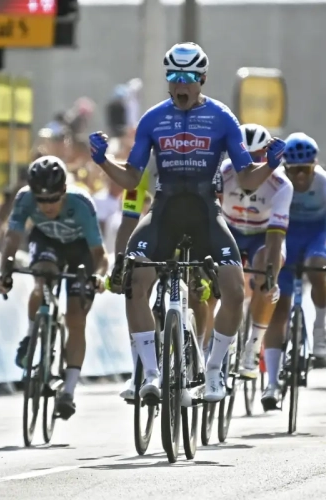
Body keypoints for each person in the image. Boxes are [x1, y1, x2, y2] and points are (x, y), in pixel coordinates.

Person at [88, 42, 285, 403]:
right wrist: (103, 161)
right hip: (164, 211)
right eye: (174, 76)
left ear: (202, 79)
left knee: (235, 289)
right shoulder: (152, 118)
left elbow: (246, 180)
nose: (181, 84)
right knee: (136, 279)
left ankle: (213, 373)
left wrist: (270, 164)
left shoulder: (223, 118)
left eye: (189, 77)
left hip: (205, 214)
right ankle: (147, 374)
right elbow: (132, 179)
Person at [0, 156, 108, 420]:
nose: (46, 206)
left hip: (81, 251)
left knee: (75, 318)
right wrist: (5, 273)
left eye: (53, 199)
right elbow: (12, 239)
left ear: (64, 191)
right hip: (47, 243)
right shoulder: (24, 199)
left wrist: (99, 277)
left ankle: (68, 391)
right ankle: (33, 333)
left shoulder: (81, 204)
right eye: (40, 200)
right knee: (42, 277)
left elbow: (99, 254)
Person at [261, 133, 326, 410]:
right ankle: (272, 383)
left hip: (316, 234)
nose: (299, 176)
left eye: (304, 170)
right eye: (293, 170)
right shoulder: (276, 183)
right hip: (286, 233)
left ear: (315, 166)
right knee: (279, 309)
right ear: (285, 167)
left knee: (319, 269)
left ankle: (320, 325)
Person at [215, 124, 291, 378]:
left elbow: (276, 236)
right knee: (209, 280)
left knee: (266, 280)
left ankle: (254, 345)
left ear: (267, 156)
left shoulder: (281, 184)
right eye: (244, 158)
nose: (250, 166)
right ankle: (209, 345)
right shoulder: (223, 174)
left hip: (263, 235)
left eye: (258, 158)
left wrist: (270, 272)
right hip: (231, 230)